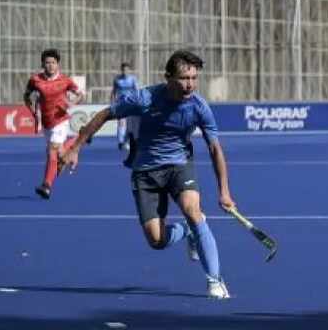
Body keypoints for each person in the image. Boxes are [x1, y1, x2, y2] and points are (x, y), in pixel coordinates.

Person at [60, 50, 234, 299]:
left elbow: (215, 148)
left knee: (192, 209)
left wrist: (224, 192)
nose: (190, 84)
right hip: (145, 172)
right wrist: (75, 147)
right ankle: (187, 231)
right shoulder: (144, 98)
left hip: (178, 165)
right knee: (156, 240)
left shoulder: (199, 107)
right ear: (168, 78)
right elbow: (105, 114)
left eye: (195, 78)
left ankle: (215, 281)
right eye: (184, 78)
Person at [24, 48, 81, 199]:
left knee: (52, 150)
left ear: (58, 64)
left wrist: (70, 104)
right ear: (43, 63)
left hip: (61, 120)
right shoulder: (35, 80)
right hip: (47, 123)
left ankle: (47, 185)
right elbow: (26, 96)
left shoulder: (65, 80)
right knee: (61, 155)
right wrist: (33, 111)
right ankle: (78, 140)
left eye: (53, 62)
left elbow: (80, 94)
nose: (50, 65)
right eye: (47, 62)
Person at [111, 62, 139, 154]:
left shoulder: (133, 79)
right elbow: (114, 92)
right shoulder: (117, 80)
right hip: (121, 103)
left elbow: (137, 91)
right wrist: (112, 103)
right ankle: (120, 141)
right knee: (121, 123)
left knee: (130, 124)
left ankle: (126, 141)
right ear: (121, 70)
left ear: (129, 70)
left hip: (131, 103)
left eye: (127, 69)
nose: (125, 71)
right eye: (123, 69)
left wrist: (138, 101)